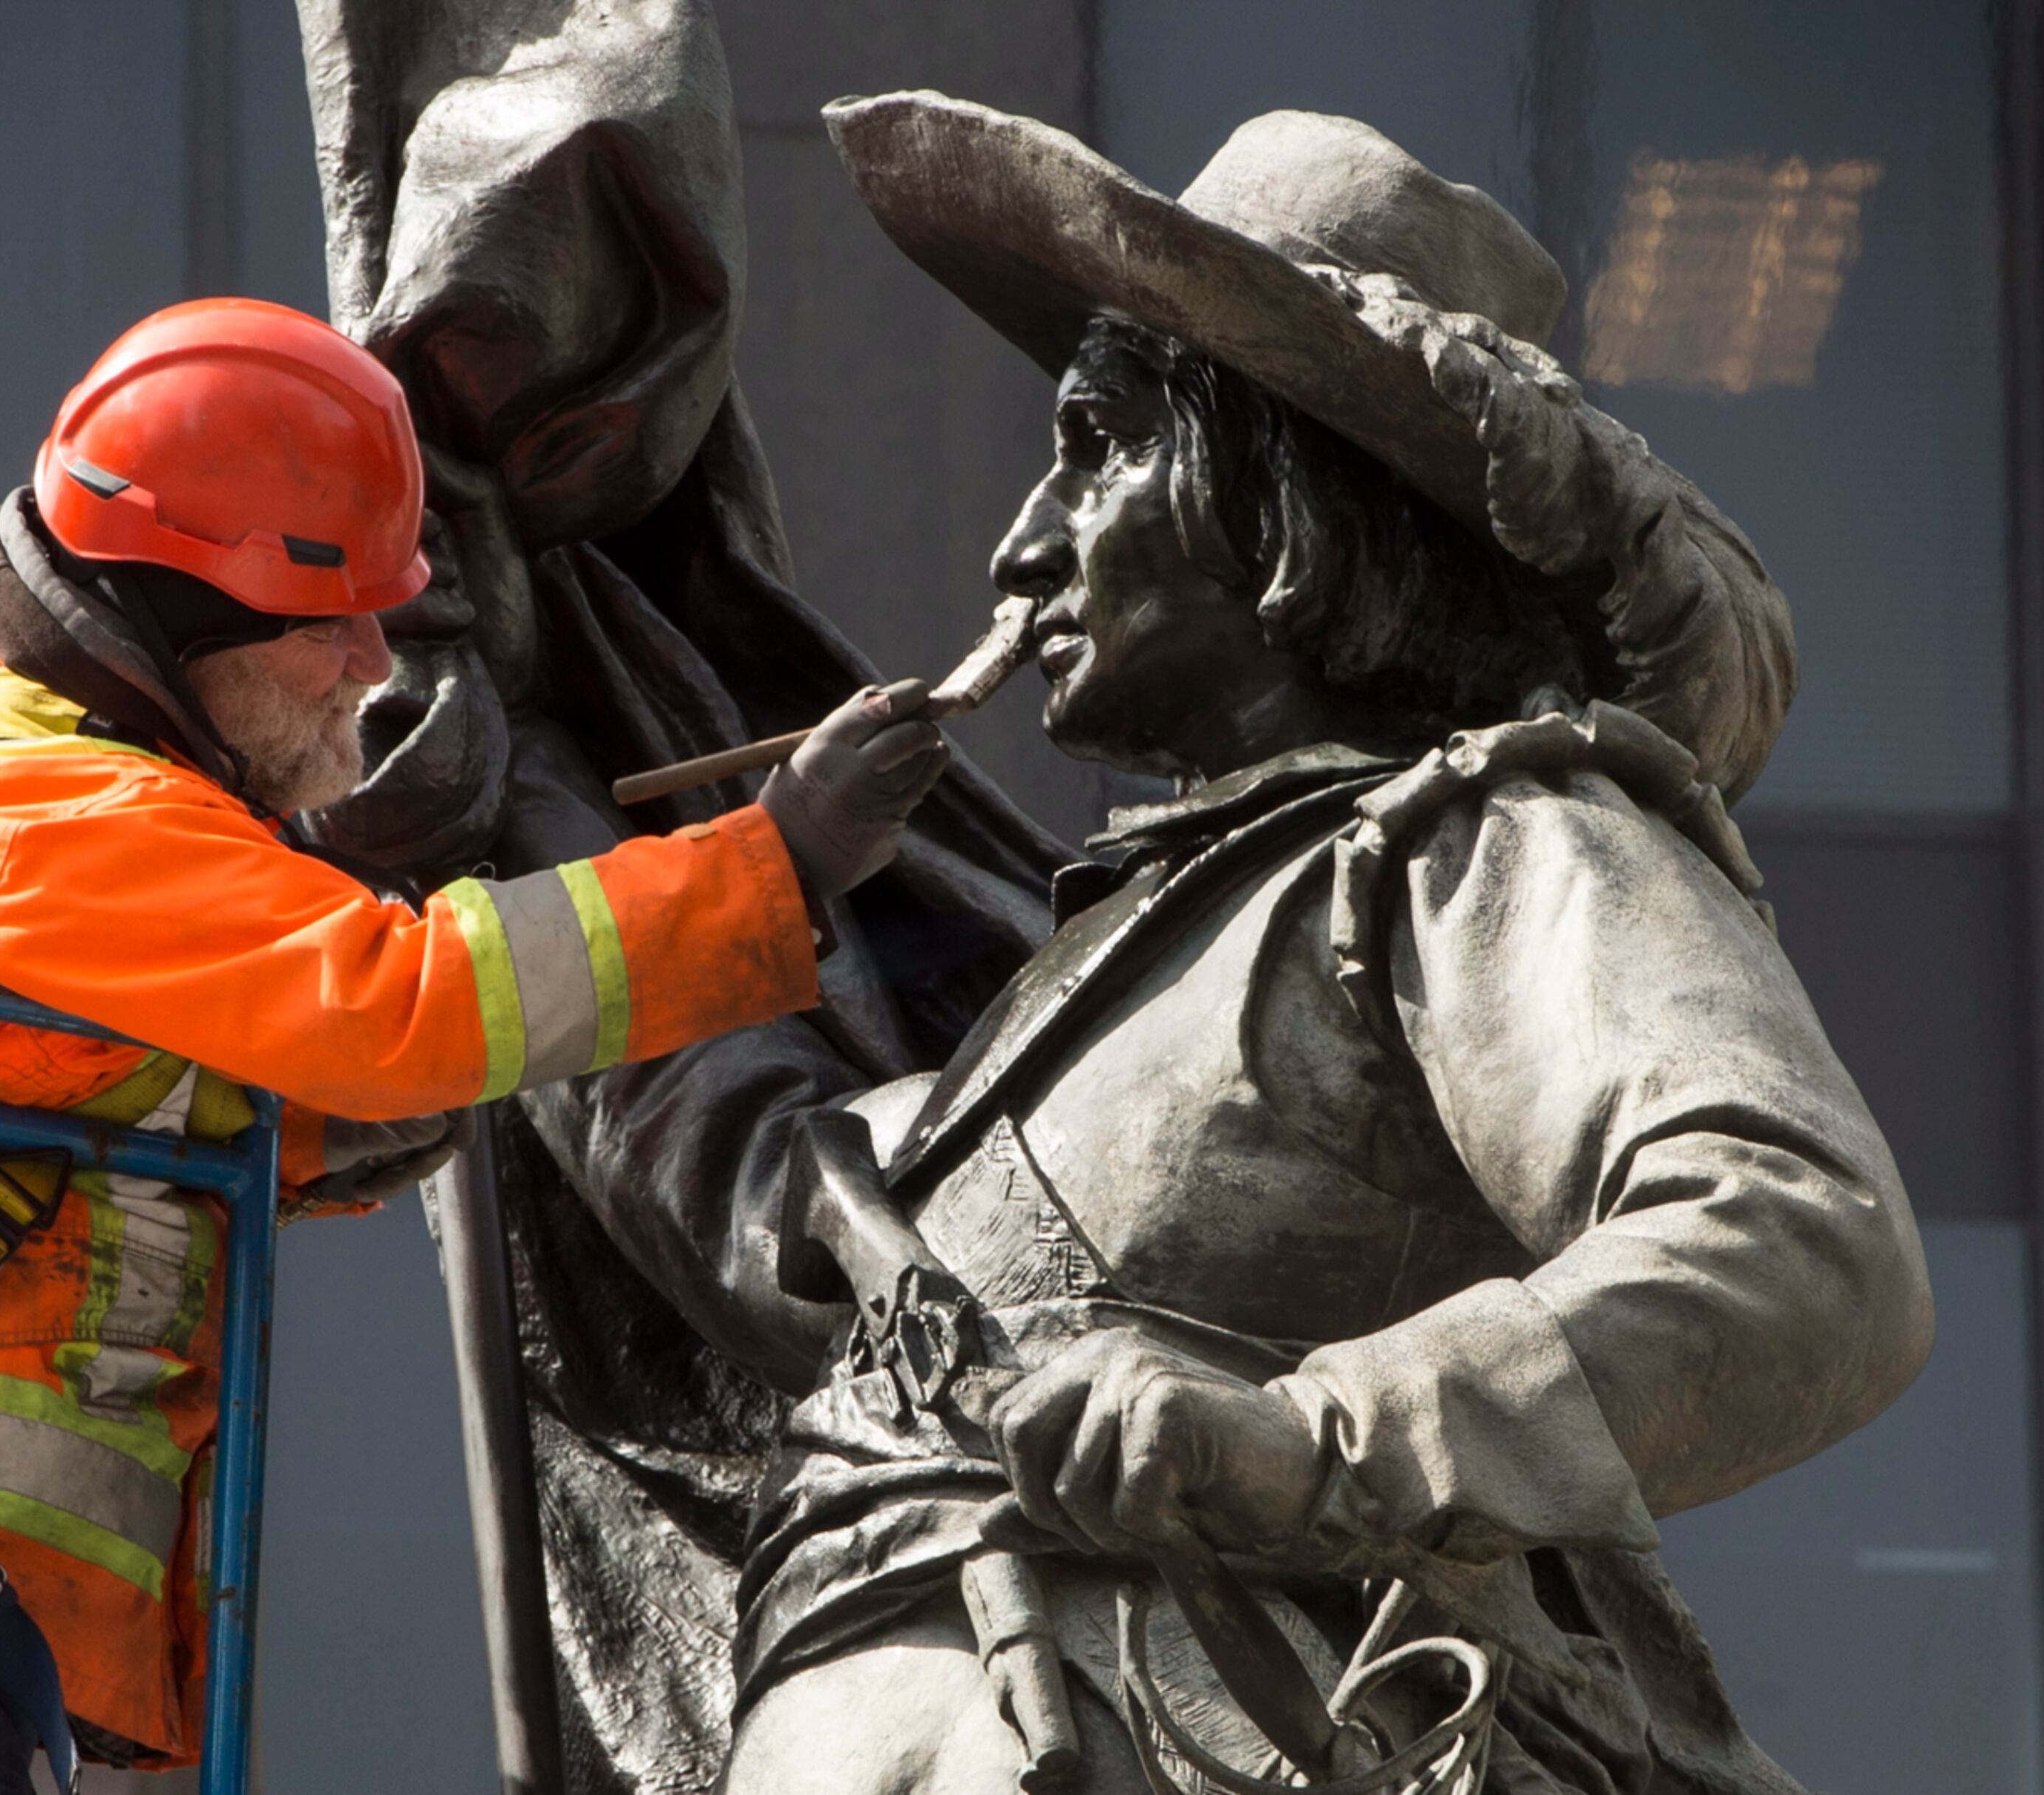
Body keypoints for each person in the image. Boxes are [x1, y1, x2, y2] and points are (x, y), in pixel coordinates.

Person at [509, 100, 1932, 1793]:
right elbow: (784, 1195)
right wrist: (505, 779)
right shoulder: (1084, 996)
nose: (1022, 543)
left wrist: (1308, 1432)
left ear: (1280, 498)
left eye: (1098, 445)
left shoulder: (1480, 844)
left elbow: (1804, 1237)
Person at [0, 298, 950, 1795]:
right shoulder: (50, 822)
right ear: (187, 624)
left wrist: (344, 1120)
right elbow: (406, 1007)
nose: (371, 665)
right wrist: (771, 863)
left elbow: (116, 1077)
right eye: (334, 622)